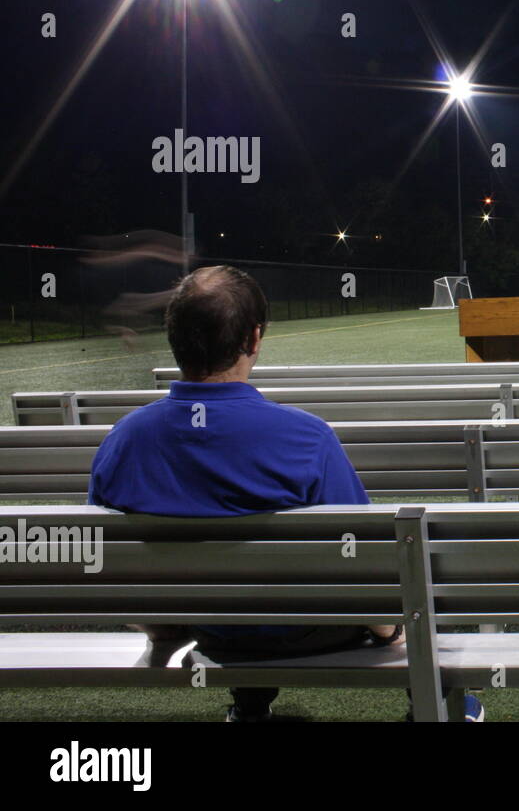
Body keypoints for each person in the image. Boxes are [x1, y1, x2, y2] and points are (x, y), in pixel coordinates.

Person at [88, 265, 482, 721]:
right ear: (254, 338)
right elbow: (370, 562)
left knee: (227, 584)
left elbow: (106, 564)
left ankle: (250, 704)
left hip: (209, 629)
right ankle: (434, 707)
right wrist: (391, 630)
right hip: (308, 627)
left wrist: (164, 629)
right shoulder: (305, 437)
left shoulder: (124, 440)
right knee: (416, 584)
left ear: (174, 337)